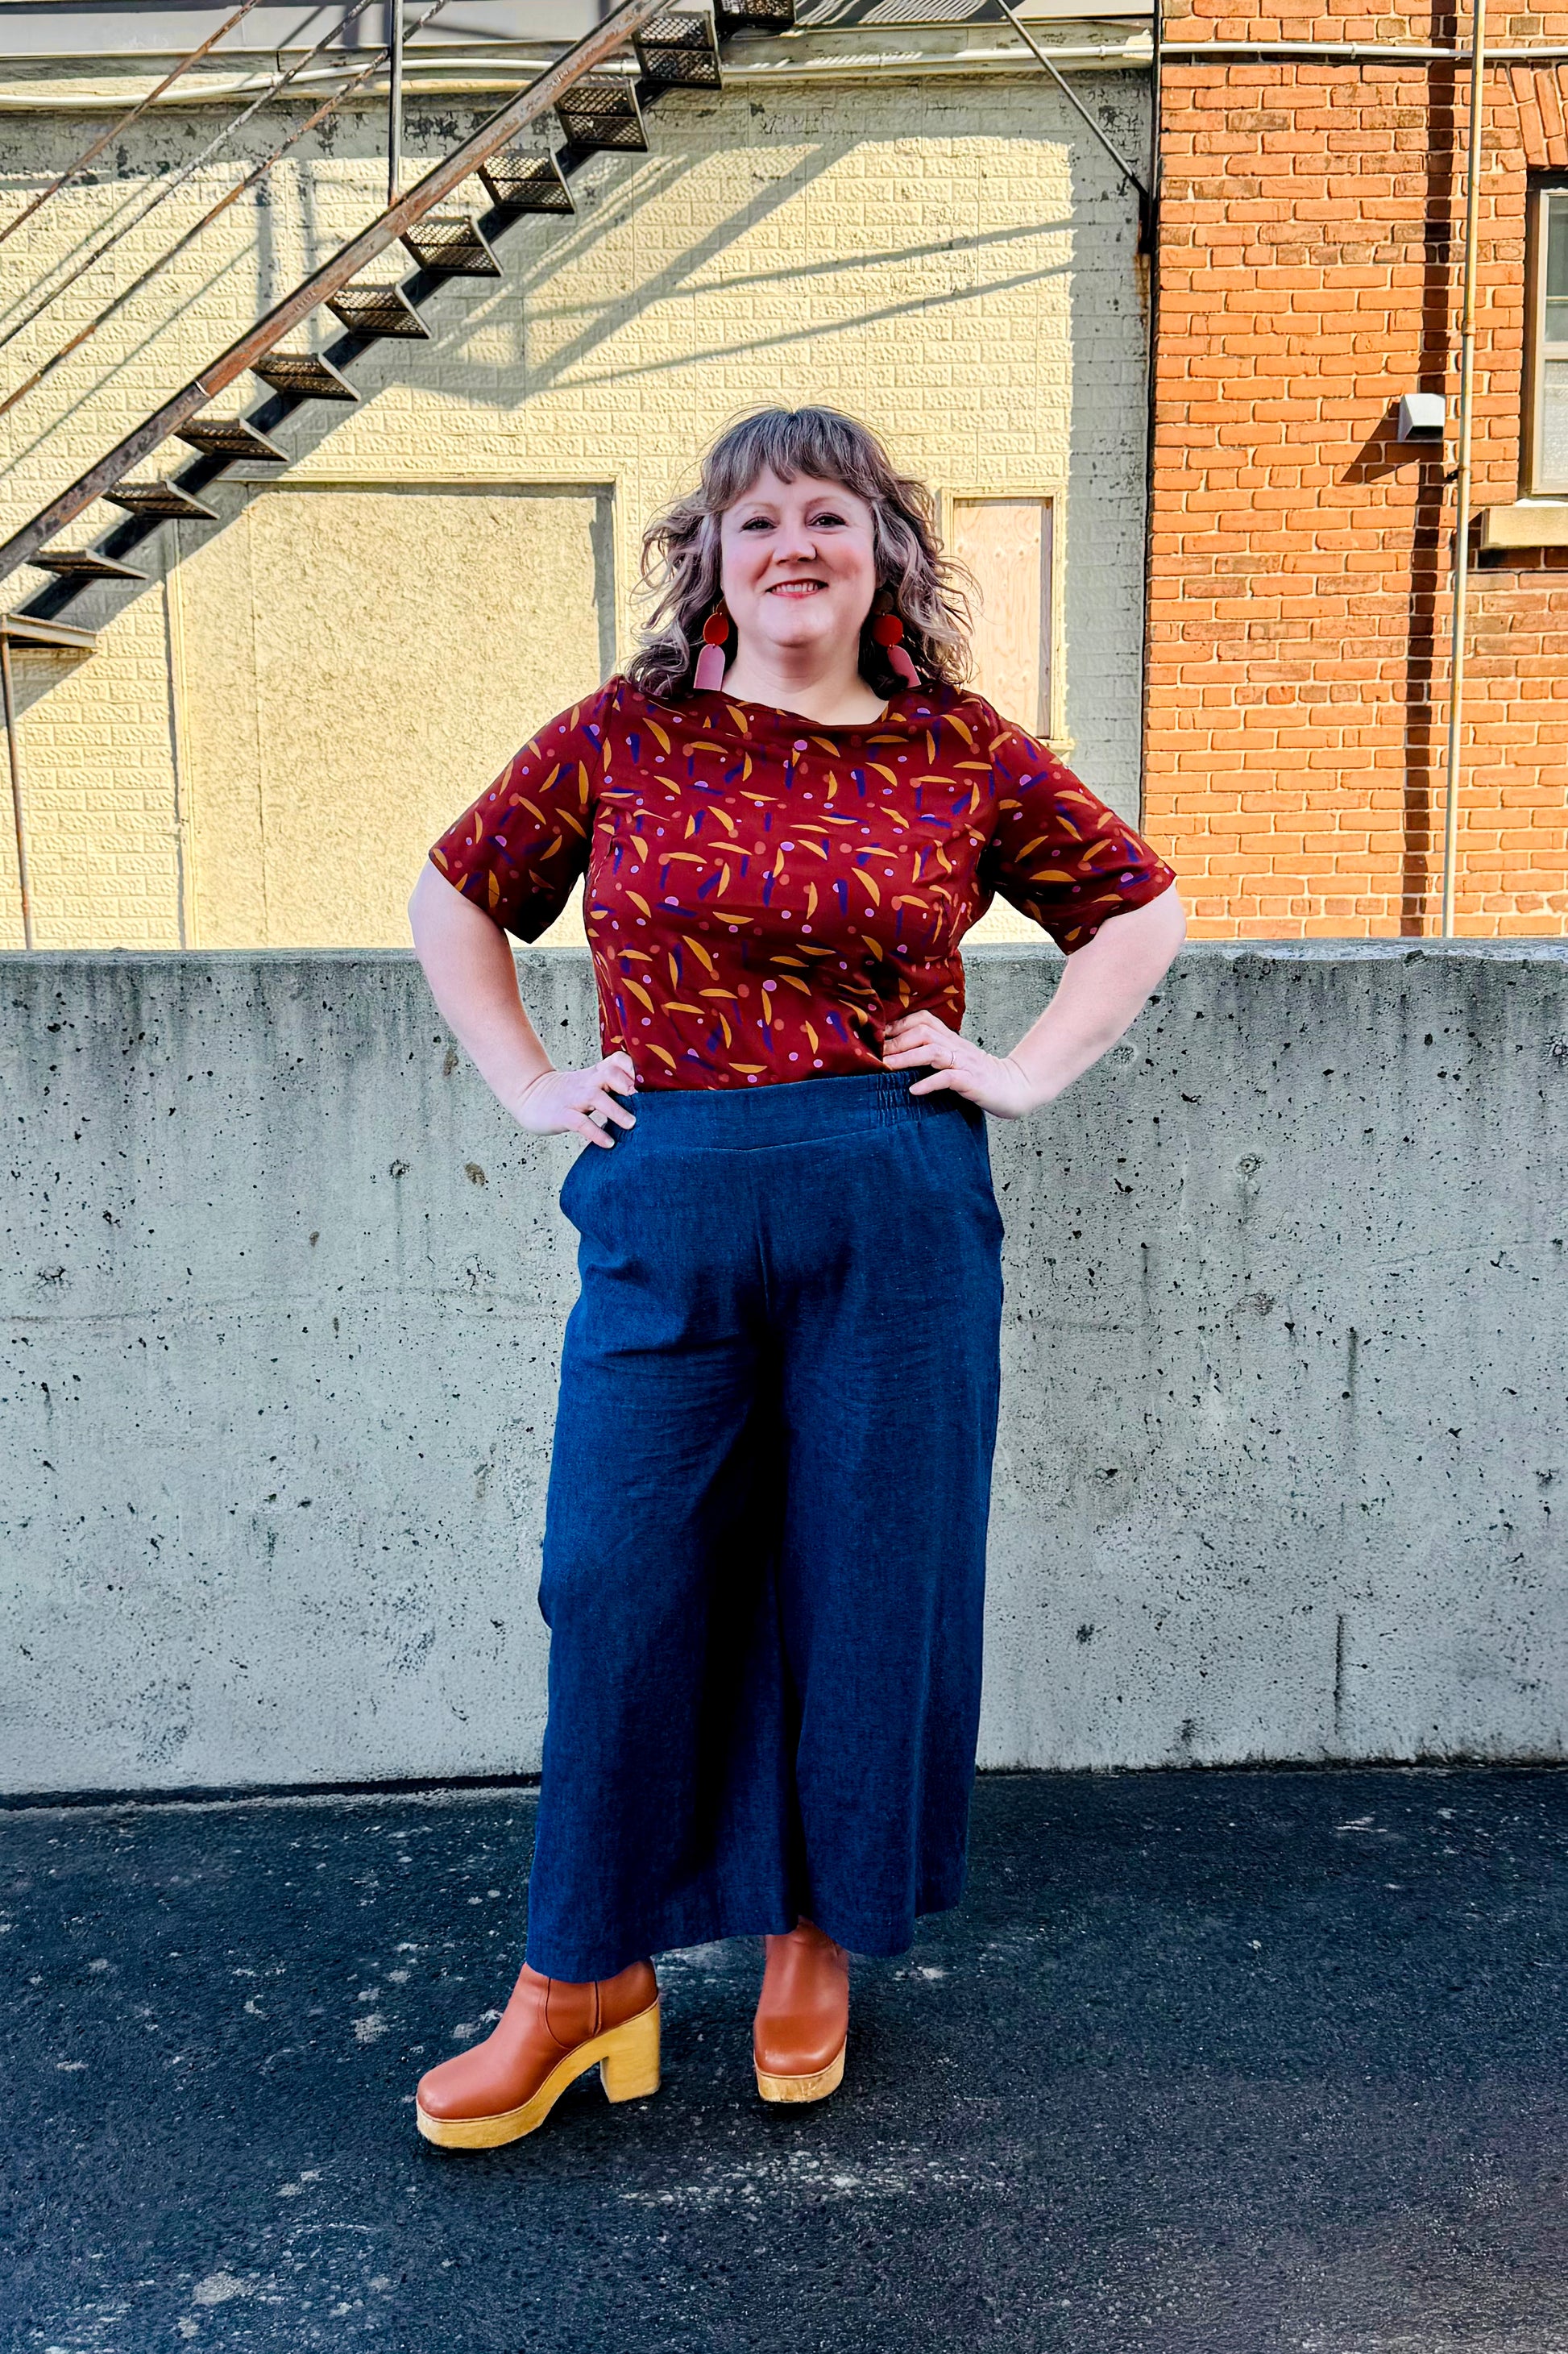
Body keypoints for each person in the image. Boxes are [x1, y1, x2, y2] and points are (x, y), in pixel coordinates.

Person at [406, 405, 1184, 2148]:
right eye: (755, 523)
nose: (791, 548)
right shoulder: (625, 736)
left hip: (889, 1213)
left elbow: (1135, 907)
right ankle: (578, 1979)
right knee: (611, 1577)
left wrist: (1027, 1070)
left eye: (827, 517)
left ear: (883, 553)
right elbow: (456, 895)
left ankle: (814, 1936)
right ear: (712, 559)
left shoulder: (955, 752)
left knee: (864, 1575)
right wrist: (535, 1083)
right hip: (666, 1199)